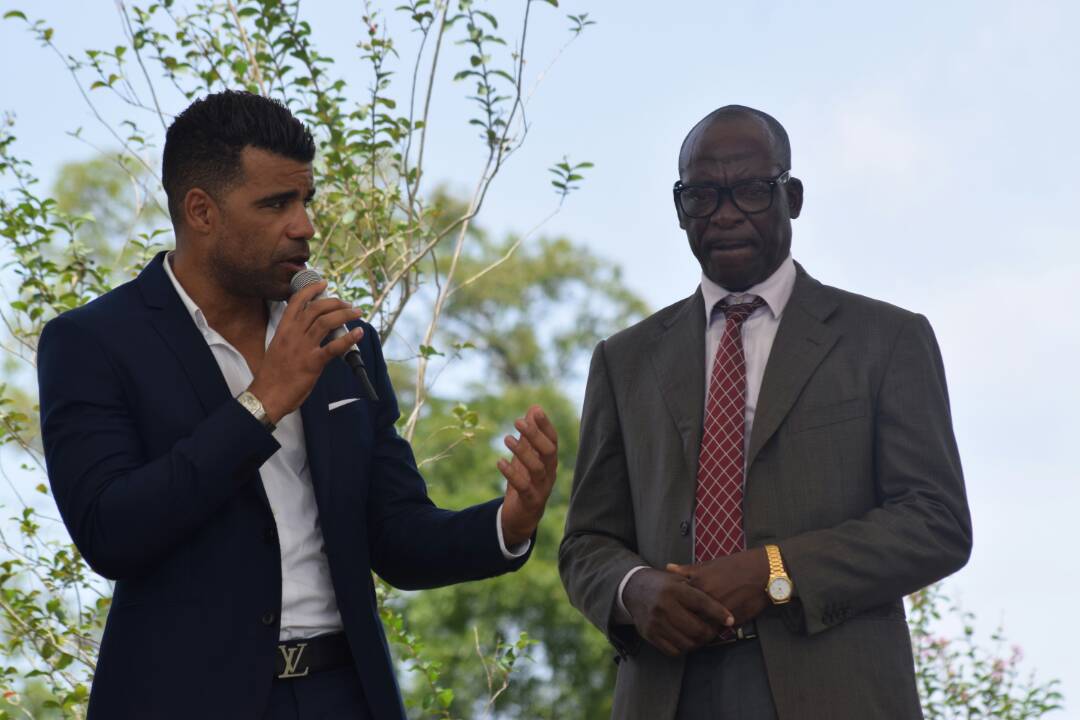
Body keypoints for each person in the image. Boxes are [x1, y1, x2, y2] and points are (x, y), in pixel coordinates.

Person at [37, 90, 559, 720]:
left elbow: (395, 535)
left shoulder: (342, 343)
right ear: (201, 211)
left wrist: (508, 524)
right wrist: (262, 403)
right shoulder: (92, 342)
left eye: (306, 199)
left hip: (344, 695)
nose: (304, 225)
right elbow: (110, 533)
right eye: (276, 203)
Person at [559, 105, 972, 719]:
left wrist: (773, 572)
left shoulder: (885, 339)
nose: (725, 213)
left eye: (751, 190)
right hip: (666, 691)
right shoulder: (624, 361)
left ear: (792, 197)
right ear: (680, 209)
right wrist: (632, 588)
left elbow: (936, 522)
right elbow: (586, 542)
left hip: (834, 690)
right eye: (702, 196)